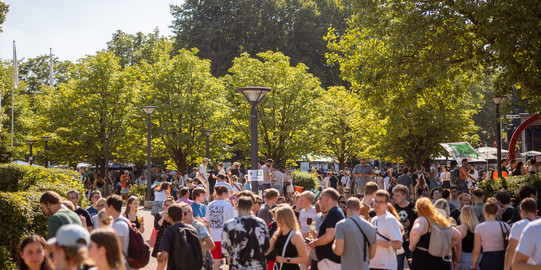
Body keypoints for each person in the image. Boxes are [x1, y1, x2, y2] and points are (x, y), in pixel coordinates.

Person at [409, 197, 461, 270]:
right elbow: (458, 236)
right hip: (443, 261)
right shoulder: (441, 220)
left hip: (424, 261)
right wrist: (444, 246)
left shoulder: (422, 220)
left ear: (418, 209)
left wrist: (412, 246)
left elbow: (416, 231)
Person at [222, 192, 270, 270]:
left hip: (237, 266)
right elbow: (267, 247)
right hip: (257, 266)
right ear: (251, 207)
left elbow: (225, 251)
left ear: (237, 207)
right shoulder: (261, 224)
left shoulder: (229, 225)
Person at [332, 197, 377, 270]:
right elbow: (371, 255)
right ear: (360, 209)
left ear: (347, 209)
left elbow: (338, 251)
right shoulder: (371, 227)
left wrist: (333, 245)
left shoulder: (341, 225)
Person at [308, 188, 345, 268]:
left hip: (330, 262)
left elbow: (329, 236)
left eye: (320, 197)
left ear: (327, 198)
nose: (319, 200)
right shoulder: (336, 211)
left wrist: (314, 243)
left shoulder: (333, 212)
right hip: (328, 261)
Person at [157, 204, 203, 269]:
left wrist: (159, 256)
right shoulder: (192, 229)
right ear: (182, 216)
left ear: (169, 218)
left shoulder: (168, 232)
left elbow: (164, 257)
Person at [471, 198, 510, 270]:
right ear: (496, 213)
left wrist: (473, 267)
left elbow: (476, 251)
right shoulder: (505, 225)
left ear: (484, 212)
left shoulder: (479, 228)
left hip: (488, 258)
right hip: (503, 258)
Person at [267, 205, 309, 270]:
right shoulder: (277, 233)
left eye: (277, 217)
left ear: (285, 219)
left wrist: (285, 260)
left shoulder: (296, 235)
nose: (275, 220)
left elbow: (304, 258)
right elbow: (267, 249)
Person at [206, 185, 235, 270]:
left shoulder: (209, 205)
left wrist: (209, 237)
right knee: (230, 261)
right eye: (227, 194)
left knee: (216, 261)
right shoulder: (228, 205)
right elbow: (231, 223)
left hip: (214, 237)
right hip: (226, 237)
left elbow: (208, 223)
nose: (228, 195)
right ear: (224, 193)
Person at [180, 202, 215, 270]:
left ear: (192, 213)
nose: (183, 216)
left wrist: (194, 247)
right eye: (181, 214)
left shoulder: (199, 226)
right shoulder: (181, 227)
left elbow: (211, 245)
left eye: (185, 213)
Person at [504, 198, 537, 270]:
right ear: (536, 212)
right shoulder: (539, 226)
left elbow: (511, 250)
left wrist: (506, 268)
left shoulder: (518, 225)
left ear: (521, 211)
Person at [393, 184, 417, 270]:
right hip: (398, 244)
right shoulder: (393, 209)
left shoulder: (413, 208)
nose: (395, 197)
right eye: (394, 195)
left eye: (397, 195)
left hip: (411, 244)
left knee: (413, 266)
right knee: (398, 267)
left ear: (404, 195)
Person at [456, 205, 480, 270]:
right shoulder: (479, 228)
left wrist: (456, 263)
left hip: (463, 258)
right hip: (477, 259)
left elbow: (458, 249)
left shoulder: (459, 229)